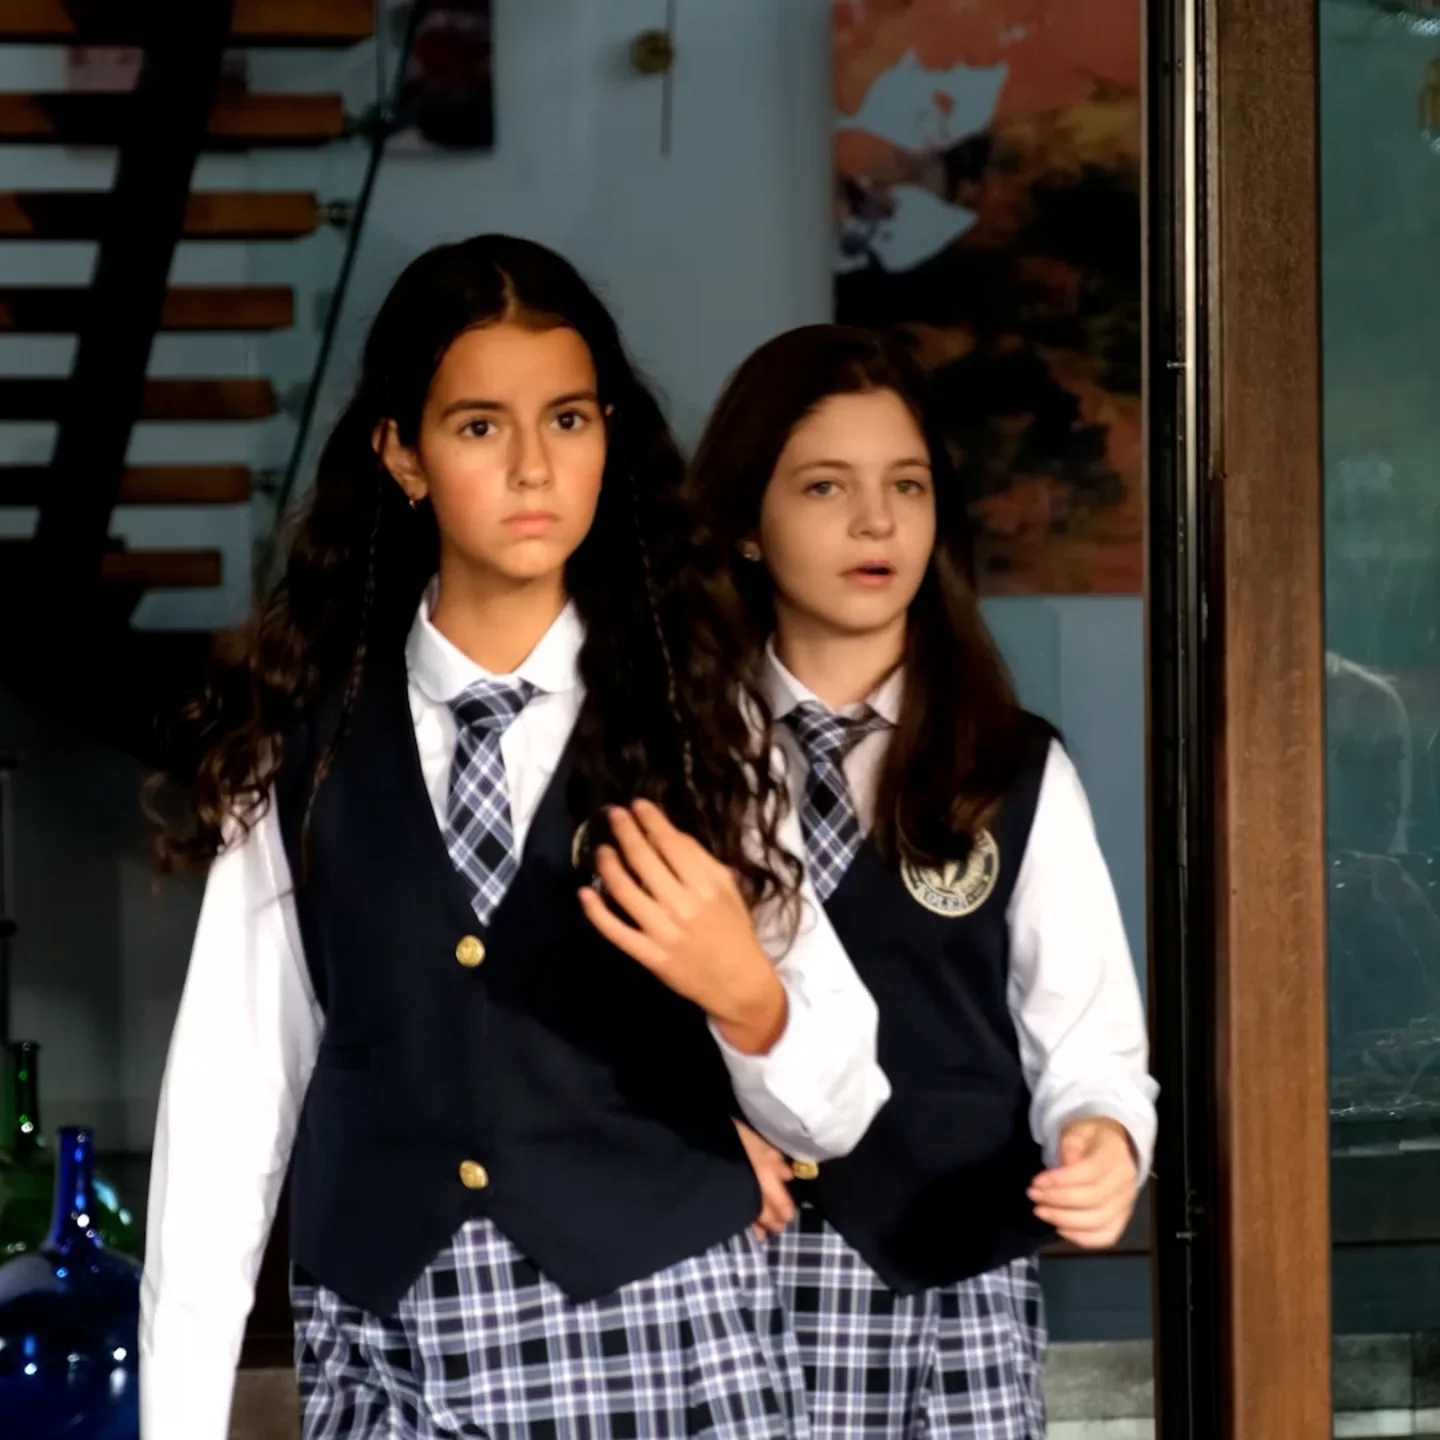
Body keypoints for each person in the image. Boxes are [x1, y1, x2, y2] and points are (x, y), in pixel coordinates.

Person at [139, 240, 890, 1440]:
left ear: (607, 438)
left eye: (569, 420)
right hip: (386, 1345)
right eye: (481, 426)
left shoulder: (702, 719)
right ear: (402, 453)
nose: (535, 467)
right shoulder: (303, 740)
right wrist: (176, 1421)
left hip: (666, 1341)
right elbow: (230, 1098)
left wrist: (749, 999)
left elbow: (834, 1113)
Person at [686, 323, 1158, 1439]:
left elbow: (1087, 1042)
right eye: (825, 487)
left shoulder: (1014, 767)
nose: (877, 521)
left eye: (906, 484)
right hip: (709, 1283)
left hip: (951, 1288)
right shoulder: (674, 758)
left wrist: (1103, 1138)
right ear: (746, 523)